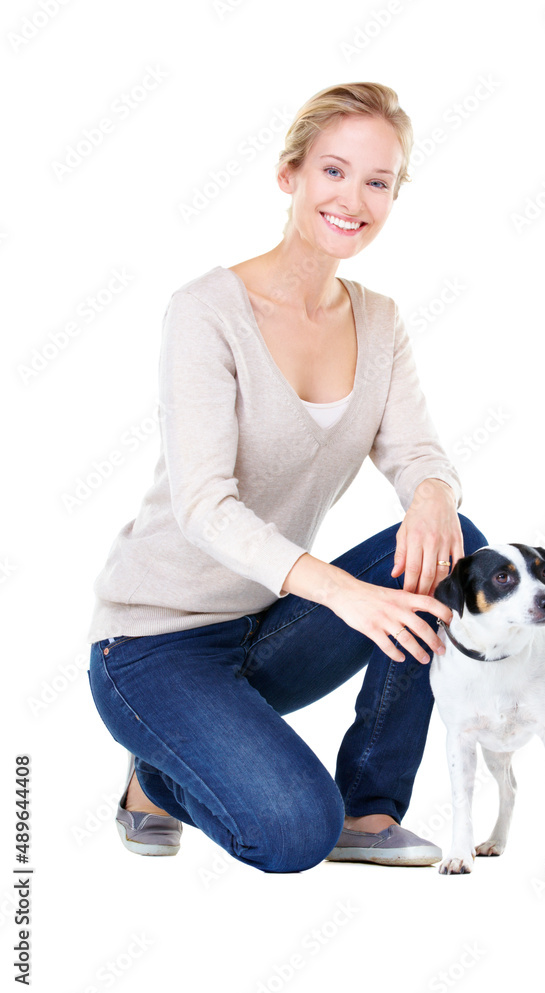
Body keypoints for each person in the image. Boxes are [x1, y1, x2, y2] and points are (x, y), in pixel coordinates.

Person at [86, 81, 489, 873]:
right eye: (334, 172)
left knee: (456, 546)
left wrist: (435, 494)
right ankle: (156, 783)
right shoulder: (206, 311)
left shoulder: (378, 320)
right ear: (290, 176)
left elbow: (417, 455)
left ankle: (370, 810)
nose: (354, 199)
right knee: (293, 833)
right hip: (150, 647)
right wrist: (342, 591)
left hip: (264, 627)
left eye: (378, 182)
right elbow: (205, 504)